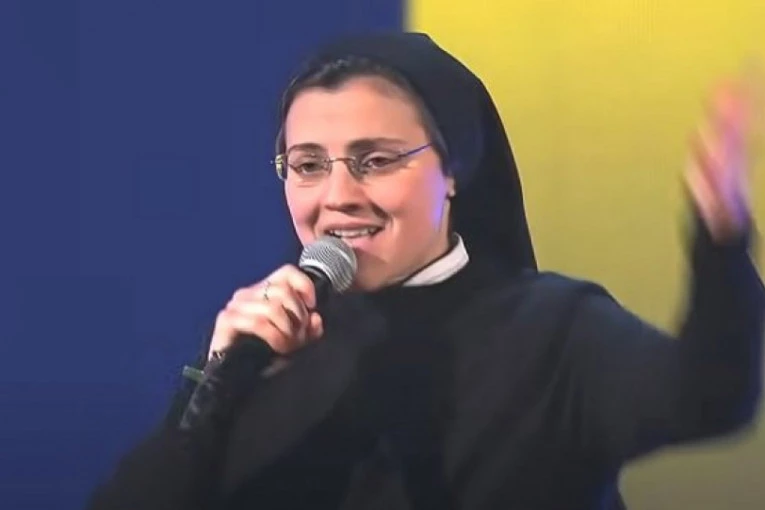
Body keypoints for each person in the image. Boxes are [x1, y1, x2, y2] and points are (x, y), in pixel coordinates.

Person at [87, 32, 764, 510]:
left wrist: (721, 242)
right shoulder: (270, 344)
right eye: (308, 165)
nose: (337, 195)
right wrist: (215, 379)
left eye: (376, 160)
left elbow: (706, 399)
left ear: (453, 171)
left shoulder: (556, 330)